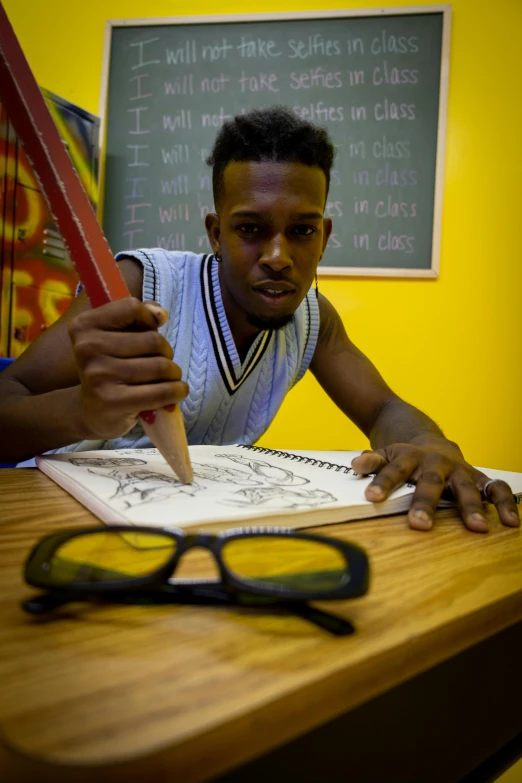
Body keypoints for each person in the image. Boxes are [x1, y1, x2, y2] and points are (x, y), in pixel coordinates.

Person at [0, 106, 518, 534]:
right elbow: (8, 399)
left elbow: (383, 407)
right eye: (250, 228)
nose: (277, 255)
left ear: (325, 236)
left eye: (301, 231)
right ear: (215, 232)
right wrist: (83, 412)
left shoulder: (313, 320)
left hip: (195, 531)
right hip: (57, 522)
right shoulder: (141, 287)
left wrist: (431, 444)